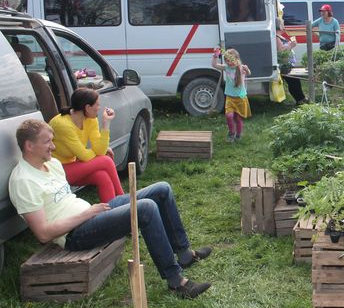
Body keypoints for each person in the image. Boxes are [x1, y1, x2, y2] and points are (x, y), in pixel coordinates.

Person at [9, 119, 212, 298]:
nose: (53, 146)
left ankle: (184, 254)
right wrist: (87, 214)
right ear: (29, 145)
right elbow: (43, 234)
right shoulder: (23, 181)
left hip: (91, 214)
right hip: (75, 234)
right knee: (146, 208)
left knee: (162, 189)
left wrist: (90, 211)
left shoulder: (52, 164)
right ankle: (176, 282)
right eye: (47, 142)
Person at [48, 88, 123, 203]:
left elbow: (100, 151)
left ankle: (113, 211)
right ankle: (125, 199)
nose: (99, 108)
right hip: (56, 170)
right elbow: (84, 156)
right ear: (87, 108)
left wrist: (106, 123)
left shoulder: (90, 119)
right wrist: (95, 150)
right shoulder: (62, 125)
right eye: (97, 105)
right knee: (106, 161)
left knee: (102, 176)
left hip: (72, 166)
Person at [212, 48, 251, 142]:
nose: (229, 63)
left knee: (238, 119)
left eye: (231, 60)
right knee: (229, 116)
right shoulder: (227, 68)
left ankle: (238, 135)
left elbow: (249, 73)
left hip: (241, 98)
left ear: (236, 59)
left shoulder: (240, 68)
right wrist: (216, 55)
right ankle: (231, 133)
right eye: (227, 61)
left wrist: (246, 69)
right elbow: (214, 65)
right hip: (230, 97)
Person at [275, 18, 306, 105]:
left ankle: (301, 98)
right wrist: (291, 45)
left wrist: (291, 45)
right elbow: (281, 51)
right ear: (279, 25)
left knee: (295, 80)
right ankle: (300, 100)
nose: (284, 26)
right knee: (293, 81)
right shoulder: (276, 37)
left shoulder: (280, 36)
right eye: (282, 24)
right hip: (283, 65)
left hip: (288, 63)